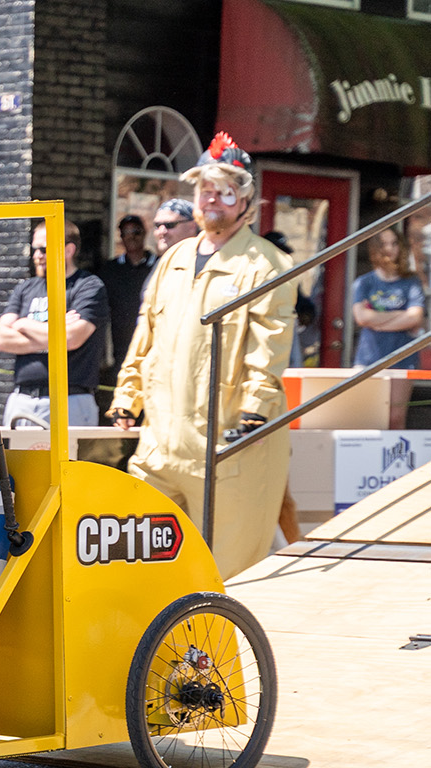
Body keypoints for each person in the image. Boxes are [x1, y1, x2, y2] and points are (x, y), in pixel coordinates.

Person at [109, 133, 295, 580]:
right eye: (205, 189)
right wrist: (127, 396)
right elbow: (145, 335)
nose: (212, 198)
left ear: (245, 199)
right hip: (160, 445)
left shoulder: (266, 265)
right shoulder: (173, 258)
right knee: (141, 568)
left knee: (229, 575)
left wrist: (255, 411)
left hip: (226, 447)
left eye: (224, 190)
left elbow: (269, 346)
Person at [0, 221, 109, 428]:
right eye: (34, 249)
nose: (37, 256)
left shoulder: (88, 286)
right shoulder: (26, 288)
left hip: (69, 400)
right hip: (22, 399)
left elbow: (71, 338)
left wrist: (23, 324)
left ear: (68, 250)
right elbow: (1, 339)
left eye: (44, 250)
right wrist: (56, 335)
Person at [351, 228, 425, 371]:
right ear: (375, 249)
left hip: (403, 359)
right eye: (383, 244)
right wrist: (399, 314)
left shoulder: (411, 282)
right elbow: (362, 318)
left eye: (394, 243)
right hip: (368, 359)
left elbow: (414, 318)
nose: (389, 249)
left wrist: (378, 324)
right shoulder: (364, 282)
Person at [99, 215, 154, 390]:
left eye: (136, 232)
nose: (131, 237)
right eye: (126, 233)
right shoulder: (110, 270)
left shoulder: (159, 266)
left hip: (153, 348)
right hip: (121, 352)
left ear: (144, 233)